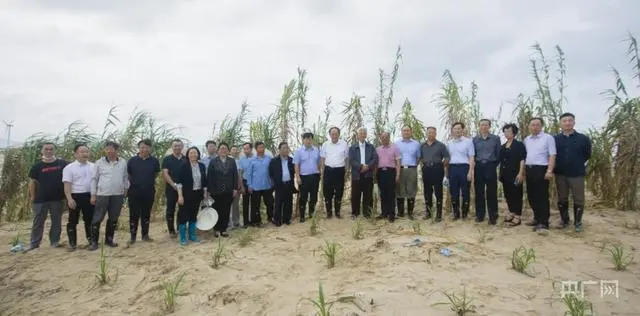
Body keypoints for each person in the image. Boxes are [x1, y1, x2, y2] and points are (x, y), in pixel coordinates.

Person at [554, 112, 591, 232]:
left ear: (574, 122)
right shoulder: (555, 139)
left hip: (577, 174)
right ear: (560, 123)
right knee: (562, 198)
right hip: (560, 173)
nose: (567, 123)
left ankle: (578, 222)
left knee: (579, 198)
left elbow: (587, 155)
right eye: (564, 121)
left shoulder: (583, 139)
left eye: (570, 121)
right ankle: (564, 220)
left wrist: (576, 164)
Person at [90, 141, 129, 250]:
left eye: (112, 149)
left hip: (118, 194)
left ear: (117, 150)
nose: (109, 151)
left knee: (113, 218)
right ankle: (94, 242)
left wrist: (126, 189)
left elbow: (125, 177)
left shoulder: (122, 162)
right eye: (107, 149)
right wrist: (93, 194)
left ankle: (109, 240)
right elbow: (94, 179)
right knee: (98, 218)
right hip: (102, 194)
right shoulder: (99, 163)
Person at [28, 142, 67, 250]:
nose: (49, 151)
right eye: (46, 149)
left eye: (51, 149)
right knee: (38, 222)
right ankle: (34, 244)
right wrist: (33, 196)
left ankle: (54, 242)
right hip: (40, 200)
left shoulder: (62, 163)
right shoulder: (37, 166)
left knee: (56, 222)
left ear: (55, 150)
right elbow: (32, 182)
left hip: (58, 199)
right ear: (42, 151)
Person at [523, 117, 556, 234]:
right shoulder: (527, 139)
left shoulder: (548, 138)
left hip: (542, 169)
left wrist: (549, 170)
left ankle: (544, 222)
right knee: (532, 196)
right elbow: (525, 156)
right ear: (529, 126)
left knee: (541, 196)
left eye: (537, 125)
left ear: (542, 126)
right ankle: (536, 218)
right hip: (529, 169)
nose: (535, 127)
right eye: (532, 125)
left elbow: (552, 155)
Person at [126, 139, 160, 244]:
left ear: (150, 149)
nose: (143, 149)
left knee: (146, 214)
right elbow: (128, 175)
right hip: (134, 190)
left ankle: (145, 235)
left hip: (149, 190)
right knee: (133, 214)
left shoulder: (154, 161)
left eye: (145, 147)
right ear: (139, 148)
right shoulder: (132, 160)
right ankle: (133, 237)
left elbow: (156, 174)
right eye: (141, 147)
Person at [62, 144, 94, 250]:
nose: (85, 154)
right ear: (75, 154)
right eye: (82, 152)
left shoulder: (93, 167)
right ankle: (72, 243)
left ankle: (91, 241)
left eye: (86, 152)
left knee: (89, 219)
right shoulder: (69, 168)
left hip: (89, 196)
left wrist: (94, 196)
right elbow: (67, 185)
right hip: (75, 196)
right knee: (73, 220)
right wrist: (69, 199)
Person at [207, 142, 241, 237]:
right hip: (216, 191)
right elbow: (210, 176)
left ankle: (224, 229)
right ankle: (216, 229)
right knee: (217, 209)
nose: (223, 150)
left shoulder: (232, 161)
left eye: (225, 148)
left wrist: (235, 189)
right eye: (221, 148)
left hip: (228, 190)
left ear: (228, 150)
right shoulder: (213, 161)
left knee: (226, 210)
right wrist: (210, 190)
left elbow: (235, 175)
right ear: (218, 150)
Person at [472, 119, 501, 225]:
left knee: (492, 192)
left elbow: (498, 154)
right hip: (478, 167)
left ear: (489, 126)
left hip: (490, 166)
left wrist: (493, 165)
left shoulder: (495, 139)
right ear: (479, 126)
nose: (484, 127)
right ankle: (480, 215)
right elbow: (473, 154)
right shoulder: (475, 140)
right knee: (479, 191)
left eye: (486, 125)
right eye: (482, 125)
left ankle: (493, 215)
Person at [176, 147, 207, 245]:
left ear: (198, 154)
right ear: (188, 155)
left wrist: (205, 193)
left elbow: (204, 181)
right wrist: (180, 196)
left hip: (197, 194)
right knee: (183, 215)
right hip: (186, 194)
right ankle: (183, 237)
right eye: (191, 153)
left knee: (193, 215)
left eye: (195, 153)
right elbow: (179, 183)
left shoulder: (201, 166)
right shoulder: (183, 166)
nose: (193, 154)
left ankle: (192, 235)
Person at [445, 122, 474, 220]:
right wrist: (446, 173)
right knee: (454, 192)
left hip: (464, 168)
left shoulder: (468, 141)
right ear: (452, 130)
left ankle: (465, 214)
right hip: (452, 168)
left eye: (459, 128)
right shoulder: (449, 143)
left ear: (462, 130)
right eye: (455, 128)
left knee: (465, 192)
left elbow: (471, 157)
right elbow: (447, 159)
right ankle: (456, 213)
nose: (457, 130)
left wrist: (470, 172)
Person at [499, 123, 526, 227]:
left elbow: (522, 160)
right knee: (508, 194)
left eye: (509, 131)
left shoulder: (519, 145)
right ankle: (512, 212)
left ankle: (518, 216)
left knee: (517, 195)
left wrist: (520, 173)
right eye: (505, 131)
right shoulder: (503, 146)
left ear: (514, 132)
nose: (506, 133)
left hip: (515, 174)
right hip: (505, 175)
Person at [420, 127, 450, 222]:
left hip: (437, 169)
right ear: (426, 134)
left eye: (433, 132)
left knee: (438, 192)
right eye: (429, 132)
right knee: (427, 192)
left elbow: (446, 157)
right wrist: (423, 164)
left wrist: (441, 165)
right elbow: (420, 157)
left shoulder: (441, 145)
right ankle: (428, 213)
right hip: (426, 170)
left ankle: (439, 214)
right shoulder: (422, 145)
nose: (431, 134)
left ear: (435, 134)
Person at [320, 126, 349, 219]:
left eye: (336, 134)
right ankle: (329, 213)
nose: (334, 135)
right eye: (332, 134)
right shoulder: (325, 144)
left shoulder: (344, 144)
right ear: (329, 135)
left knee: (339, 192)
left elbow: (347, 159)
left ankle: (337, 212)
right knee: (327, 193)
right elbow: (323, 159)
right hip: (328, 171)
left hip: (340, 171)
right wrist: (322, 172)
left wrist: (347, 171)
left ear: (339, 134)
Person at [349, 127, 378, 219]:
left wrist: (368, 167)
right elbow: (351, 160)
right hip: (356, 174)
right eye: (360, 133)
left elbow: (375, 159)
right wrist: (361, 166)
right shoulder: (352, 147)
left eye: (363, 133)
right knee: (355, 195)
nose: (362, 135)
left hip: (368, 174)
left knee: (368, 195)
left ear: (366, 135)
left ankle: (367, 213)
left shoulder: (371, 147)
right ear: (357, 135)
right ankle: (355, 213)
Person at [294, 128, 321, 220]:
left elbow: (319, 163)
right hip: (303, 177)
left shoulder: (316, 150)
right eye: (306, 138)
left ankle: (311, 214)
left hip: (314, 176)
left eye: (310, 138)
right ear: (303, 140)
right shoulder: (298, 151)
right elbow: (296, 165)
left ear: (312, 139)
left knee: (314, 197)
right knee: (303, 197)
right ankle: (302, 216)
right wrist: (297, 177)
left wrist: (319, 173)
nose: (308, 140)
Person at [246, 141, 273, 226]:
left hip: (267, 185)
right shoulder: (252, 160)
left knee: (270, 203)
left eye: (263, 147)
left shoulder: (269, 159)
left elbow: (272, 172)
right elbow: (249, 174)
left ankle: (271, 218)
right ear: (256, 149)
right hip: (255, 186)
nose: (262, 149)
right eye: (260, 147)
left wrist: (273, 183)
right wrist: (249, 185)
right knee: (255, 205)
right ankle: (257, 221)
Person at [269, 142, 296, 226]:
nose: (286, 150)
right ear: (279, 150)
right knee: (278, 203)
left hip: (289, 184)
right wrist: (274, 183)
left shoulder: (291, 160)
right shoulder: (274, 161)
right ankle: (277, 220)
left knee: (288, 202)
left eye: (287, 148)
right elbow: (271, 173)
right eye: (284, 148)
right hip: (279, 185)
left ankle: (286, 219)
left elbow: (294, 172)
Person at [376, 132, 400, 222]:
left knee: (391, 193)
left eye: (386, 137)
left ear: (389, 138)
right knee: (383, 193)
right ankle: (384, 213)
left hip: (391, 172)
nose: (384, 139)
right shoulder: (377, 149)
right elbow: (376, 162)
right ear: (380, 139)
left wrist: (398, 174)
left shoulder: (395, 148)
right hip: (381, 173)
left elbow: (398, 162)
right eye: (382, 138)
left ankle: (391, 214)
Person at [162, 139, 184, 238]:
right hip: (171, 189)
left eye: (179, 146)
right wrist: (173, 185)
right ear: (172, 147)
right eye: (175, 146)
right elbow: (165, 174)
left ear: (182, 147)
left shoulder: (185, 159)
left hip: (183, 190)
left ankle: (180, 228)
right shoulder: (167, 159)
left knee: (182, 209)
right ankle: (171, 230)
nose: (177, 148)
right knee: (170, 210)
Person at [238, 142, 253, 227]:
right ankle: (246, 222)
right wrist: (242, 186)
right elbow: (240, 173)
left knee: (255, 203)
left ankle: (254, 221)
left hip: (255, 183)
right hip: (245, 182)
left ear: (251, 149)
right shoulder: (242, 160)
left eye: (247, 148)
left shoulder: (256, 158)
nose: (246, 150)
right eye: (244, 149)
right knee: (245, 203)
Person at [229, 145, 242, 229]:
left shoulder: (240, 161)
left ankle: (236, 222)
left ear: (238, 151)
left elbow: (240, 174)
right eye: (233, 150)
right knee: (227, 205)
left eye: (236, 150)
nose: (234, 151)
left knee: (236, 205)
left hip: (237, 186)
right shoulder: (228, 160)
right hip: (228, 186)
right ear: (230, 151)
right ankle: (229, 223)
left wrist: (240, 185)